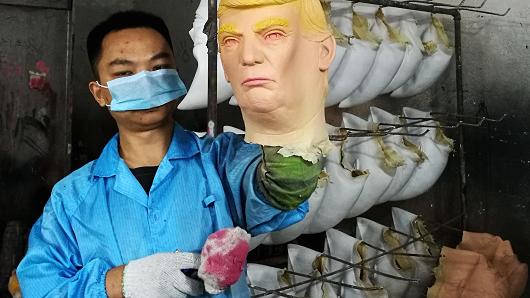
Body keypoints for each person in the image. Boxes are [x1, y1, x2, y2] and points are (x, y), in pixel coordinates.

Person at [16, 9, 325, 298]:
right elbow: (38, 287)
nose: (147, 81)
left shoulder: (221, 160)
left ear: (176, 72)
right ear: (100, 93)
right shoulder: (72, 198)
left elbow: (279, 188)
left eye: (159, 67)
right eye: (125, 74)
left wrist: (287, 108)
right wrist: (122, 281)